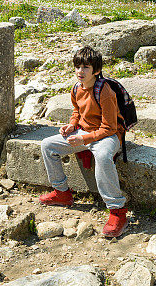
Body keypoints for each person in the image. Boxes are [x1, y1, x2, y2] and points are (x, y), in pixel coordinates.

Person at [38, 45, 128, 238]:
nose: (80, 71)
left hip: (108, 136)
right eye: (78, 67)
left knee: (103, 155)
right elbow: (77, 111)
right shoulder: (77, 88)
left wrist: (84, 139)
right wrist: (71, 125)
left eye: (86, 67)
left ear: (95, 70)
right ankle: (62, 193)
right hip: (83, 133)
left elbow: (109, 128)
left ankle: (117, 211)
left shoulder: (105, 91)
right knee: (47, 145)